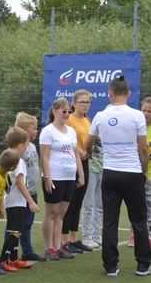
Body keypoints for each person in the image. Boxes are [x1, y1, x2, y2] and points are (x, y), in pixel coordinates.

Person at [85, 75, 151, 277]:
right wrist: (144, 170)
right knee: (139, 220)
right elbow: (144, 149)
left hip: (109, 173)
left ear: (109, 93)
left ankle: (111, 266)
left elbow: (88, 143)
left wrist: (90, 152)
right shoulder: (137, 115)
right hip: (132, 173)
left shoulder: (100, 116)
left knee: (110, 221)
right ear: (129, 93)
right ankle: (143, 265)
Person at [40, 98, 84, 261]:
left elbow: (76, 155)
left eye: (68, 111)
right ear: (54, 111)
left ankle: (58, 247)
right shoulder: (48, 131)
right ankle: (49, 248)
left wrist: (81, 174)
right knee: (51, 213)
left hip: (69, 178)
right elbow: (44, 157)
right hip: (55, 177)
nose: (66, 114)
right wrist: (47, 177)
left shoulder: (71, 131)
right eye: (63, 111)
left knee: (61, 214)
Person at [127, 97, 151, 250]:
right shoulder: (135, 125)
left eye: (149, 111)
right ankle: (133, 235)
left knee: (149, 205)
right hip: (135, 170)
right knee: (134, 204)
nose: (146, 113)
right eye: (144, 110)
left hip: (150, 171)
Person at [0, 127, 38, 270]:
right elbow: (20, 183)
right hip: (16, 201)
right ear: (21, 145)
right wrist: (31, 202)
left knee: (17, 230)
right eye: (26, 145)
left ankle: (14, 258)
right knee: (15, 232)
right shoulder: (19, 161)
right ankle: (3, 260)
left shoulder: (7, 156)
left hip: (12, 200)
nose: (27, 148)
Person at [62, 90, 94, 254]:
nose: (85, 105)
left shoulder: (87, 121)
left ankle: (74, 239)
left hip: (85, 162)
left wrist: (89, 151)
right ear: (74, 104)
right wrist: (79, 151)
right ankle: (64, 240)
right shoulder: (69, 120)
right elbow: (66, 140)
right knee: (70, 203)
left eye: (87, 102)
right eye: (82, 102)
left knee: (78, 203)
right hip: (71, 163)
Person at [14, 112, 46, 263]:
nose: (36, 131)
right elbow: (17, 176)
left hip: (32, 192)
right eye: (33, 128)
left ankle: (27, 251)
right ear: (23, 130)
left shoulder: (32, 146)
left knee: (27, 223)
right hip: (21, 194)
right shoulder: (18, 150)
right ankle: (9, 254)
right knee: (16, 225)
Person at [81, 137, 104, 249]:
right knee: (88, 205)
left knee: (100, 206)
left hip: (103, 170)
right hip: (90, 169)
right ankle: (86, 237)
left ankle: (96, 235)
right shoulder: (91, 131)